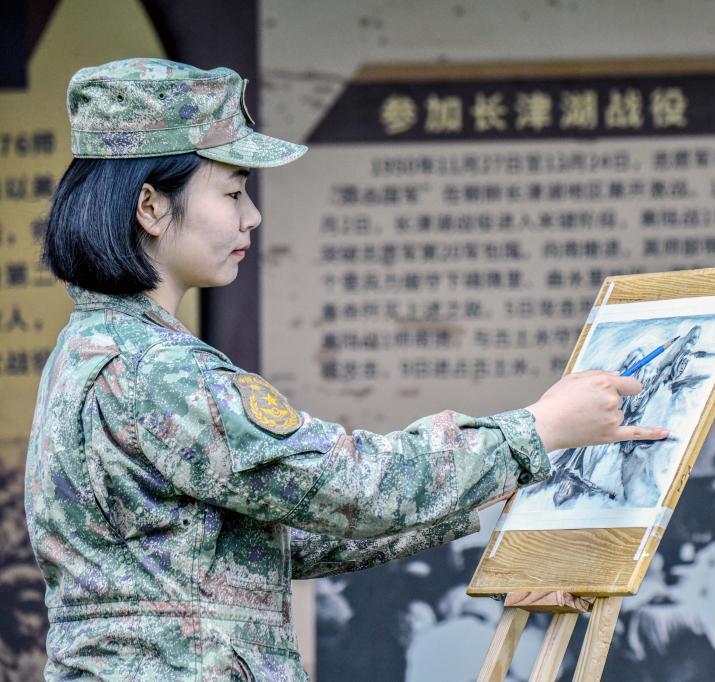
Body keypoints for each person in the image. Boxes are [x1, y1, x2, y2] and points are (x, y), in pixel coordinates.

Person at [24, 58, 669, 680]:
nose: (251, 215)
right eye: (233, 191)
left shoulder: (92, 352)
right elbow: (347, 486)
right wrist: (533, 431)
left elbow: (275, 538)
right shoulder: (157, 371)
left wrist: (482, 483)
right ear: (151, 207)